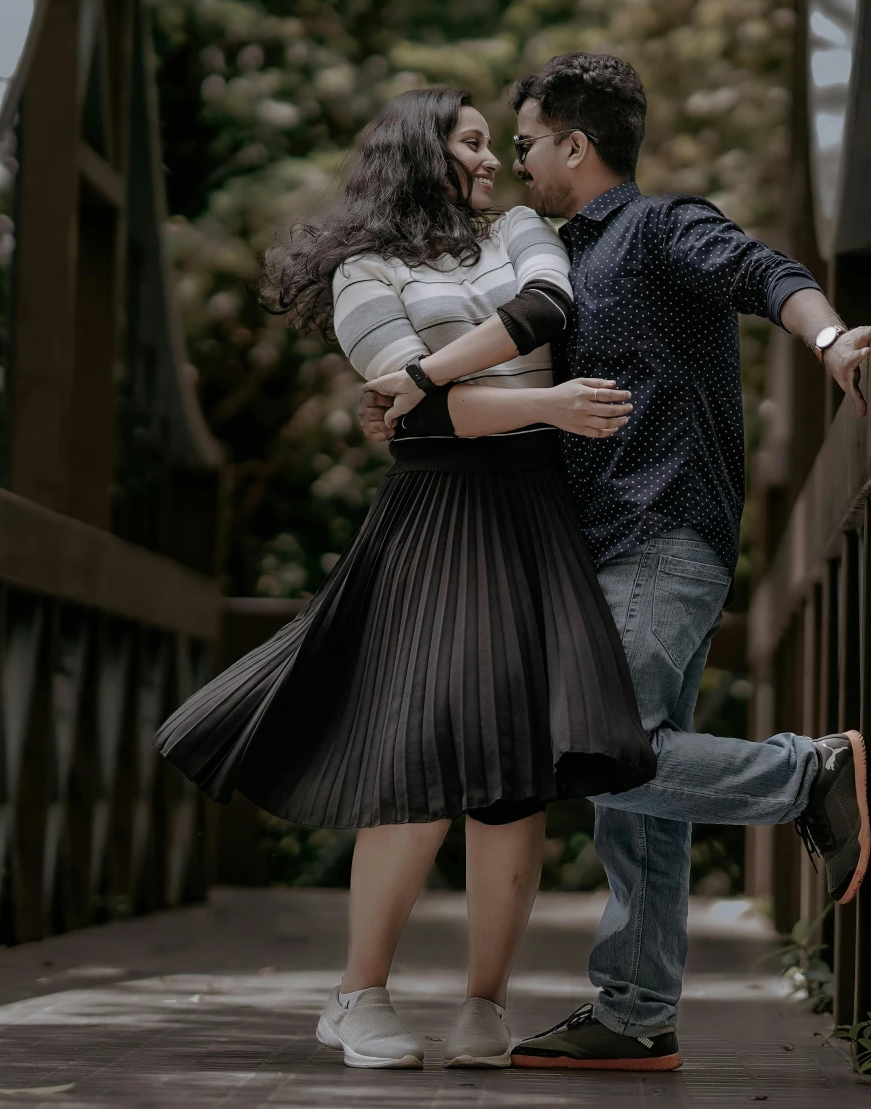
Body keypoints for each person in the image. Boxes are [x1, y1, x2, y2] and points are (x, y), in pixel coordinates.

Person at [362, 53, 871, 1072]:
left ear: (572, 145)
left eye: (521, 144)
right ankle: (637, 1008)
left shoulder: (656, 226)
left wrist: (828, 345)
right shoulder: (552, 258)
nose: (514, 164)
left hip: (661, 528)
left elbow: (763, 271)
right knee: (630, 787)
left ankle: (802, 775)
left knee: (592, 748)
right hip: (603, 545)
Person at [156, 85, 654, 1073]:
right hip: (435, 516)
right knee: (421, 757)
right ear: (420, 154)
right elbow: (424, 430)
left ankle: (484, 1003)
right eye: (472, 141)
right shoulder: (361, 271)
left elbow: (547, 304)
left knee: (518, 776)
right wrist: (543, 401)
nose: (492, 159)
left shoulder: (515, 228)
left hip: (531, 516)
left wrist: (430, 378)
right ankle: (356, 994)